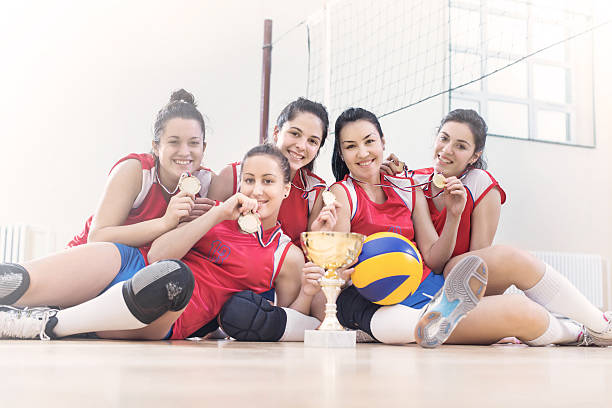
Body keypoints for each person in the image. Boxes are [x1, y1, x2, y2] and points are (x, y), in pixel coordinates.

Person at [333, 108, 612, 347]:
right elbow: (336, 267)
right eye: (350, 146)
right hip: (383, 296)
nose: (363, 152)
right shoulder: (353, 192)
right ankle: (580, 334)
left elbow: (448, 259)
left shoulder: (411, 185)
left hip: (435, 282)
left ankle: (599, 326)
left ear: (383, 142)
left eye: (370, 141)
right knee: (520, 311)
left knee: (508, 258)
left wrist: (455, 214)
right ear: (341, 152)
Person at [0, 145, 326, 341]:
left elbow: (281, 322)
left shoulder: (287, 255)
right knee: (18, 278)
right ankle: (36, 308)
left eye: (268, 182)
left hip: (166, 310)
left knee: (174, 277)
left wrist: (308, 293)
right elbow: (156, 253)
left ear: (285, 189)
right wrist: (216, 215)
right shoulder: (213, 211)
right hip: (133, 265)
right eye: (250, 180)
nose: (256, 190)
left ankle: (47, 323)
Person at [67, 89, 217, 249]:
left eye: (194, 143)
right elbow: (97, 237)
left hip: (142, 267)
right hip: (89, 259)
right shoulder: (136, 171)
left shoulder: (207, 182)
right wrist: (166, 222)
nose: (185, 152)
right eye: (174, 142)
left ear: (204, 147)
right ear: (156, 147)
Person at [208, 97, 329, 248]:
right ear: (277, 132)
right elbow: (204, 234)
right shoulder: (232, 175)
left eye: (312, 141)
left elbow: (311, 254)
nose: (301, 146)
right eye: (295, 133)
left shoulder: (314, 191)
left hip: (287, 270)